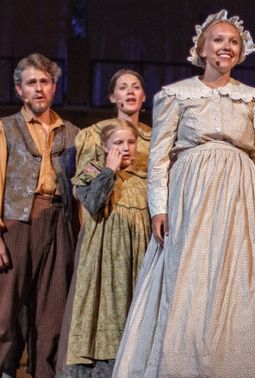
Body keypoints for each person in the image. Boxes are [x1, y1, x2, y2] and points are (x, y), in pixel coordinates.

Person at [112, 10, 255, 377]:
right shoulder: (176, 95)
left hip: (241, 196)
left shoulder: (253, 99)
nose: (226, 46)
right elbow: (158, 157)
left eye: (233, 41)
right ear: (202, 48)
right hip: (191, 194)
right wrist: (159, 207)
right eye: (218, 39)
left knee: (244, 283)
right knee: (191, 278)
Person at [0, 53, 80, 377]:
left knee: (52, 311)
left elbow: (80, 187)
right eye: (31, 83)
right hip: (17, 223)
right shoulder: (5, 128)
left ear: (54, 87)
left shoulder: (73, 133)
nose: (38, 89)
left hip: (58, 222)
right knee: (5, 310)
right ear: (19, 90)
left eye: (44, 82)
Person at [56, 119, 149, 377]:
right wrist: (110, 169)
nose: (126, 148)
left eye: (130, 142)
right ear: (105, 146)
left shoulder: (144, 177)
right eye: (118, 143)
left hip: (137, 259)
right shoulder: (93, 170)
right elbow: (93, 202)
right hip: (103, 261)